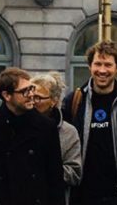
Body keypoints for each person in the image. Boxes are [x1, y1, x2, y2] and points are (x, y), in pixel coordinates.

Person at [61, 41, 117, 205]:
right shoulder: (74, 101)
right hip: (82, 196)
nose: (102, 70)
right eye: (98, 64)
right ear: (90, 66)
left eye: (108, 65)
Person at [0, 68, 66, 204]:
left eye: (31, 88)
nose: (31, 95)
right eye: (25, 91)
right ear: (7, 96)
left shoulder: (46, 127)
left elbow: (55, 178)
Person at [31, 72, 83, 200]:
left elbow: (75, 173)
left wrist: (45, 168)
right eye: (31, 96)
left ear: (53, 101)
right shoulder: (19, 125)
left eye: (38, 98)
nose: (33, 102)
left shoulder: (68, 132)